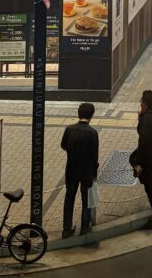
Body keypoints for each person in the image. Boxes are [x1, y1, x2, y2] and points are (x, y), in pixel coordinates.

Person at [61, 102, 99, 239]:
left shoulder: (69, 129)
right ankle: (84, 227)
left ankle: (66, 228)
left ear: (78, 113)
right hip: (86, 171)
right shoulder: (92, 133)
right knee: (86, 199)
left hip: (71, 169)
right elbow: (94, 156)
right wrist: (94, 173)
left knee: (69, 198)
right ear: (91, 116)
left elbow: (63, 146)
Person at [130, 90, 152, 230]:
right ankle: (140, 172)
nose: (140, 103)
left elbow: (144, 141)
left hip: (150, 155)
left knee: (150, 186)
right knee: (133, 159)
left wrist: (140, 163)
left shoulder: (147, 119)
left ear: (145, 104)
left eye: (141, 102)